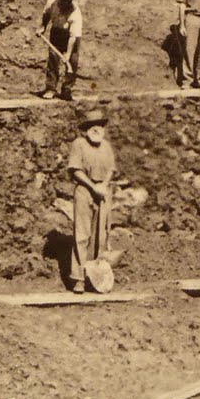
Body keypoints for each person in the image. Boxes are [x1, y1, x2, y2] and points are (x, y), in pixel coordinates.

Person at [66, 110, 117, 293]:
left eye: (100, 125)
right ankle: (78, 278)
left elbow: (111, 169)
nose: (96, 129)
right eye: (92, 125)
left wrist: (103, 185)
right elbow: (76, 170)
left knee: (100, 236)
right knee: (82, 235)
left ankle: (94, 277)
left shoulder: (106, 146)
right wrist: (92, 186)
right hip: (85, 190)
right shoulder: (78, 144)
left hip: (103, 191)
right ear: (86, 129)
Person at [40, 0, 83, 99]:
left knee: (72, 61)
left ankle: (67, 89)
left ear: (71, 0)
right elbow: (46, 14)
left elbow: (73, 37)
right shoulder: (52, 2)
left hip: (71, 37)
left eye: (68, 0)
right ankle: (50, 88)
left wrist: (68, 54)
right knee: (53, 58)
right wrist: (43, 27)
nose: (65, 2)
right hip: (56, 32)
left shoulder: (75, 13)